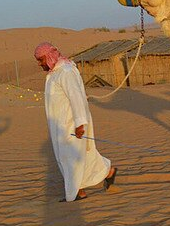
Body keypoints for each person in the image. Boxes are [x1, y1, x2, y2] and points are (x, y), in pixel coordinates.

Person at [35, 42, 117, 202]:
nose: (40, 64)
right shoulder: (55, 73)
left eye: (41, 60)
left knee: (70, 158)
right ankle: (108, 172)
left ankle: (76, 192)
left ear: (49, 57)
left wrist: (80, 123)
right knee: (80, 156)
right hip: (60, 125)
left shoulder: (65, 72)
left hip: (71, 124)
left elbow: (76, 97)